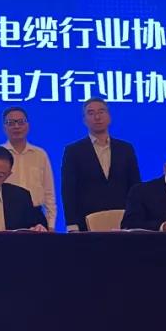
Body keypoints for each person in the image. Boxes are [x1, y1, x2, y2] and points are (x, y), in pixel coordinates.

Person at [61, 98, 141, 231]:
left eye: (101, 112)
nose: (97, 117)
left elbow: (135, 186)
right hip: (86, 221)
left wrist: (137, 218)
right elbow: (68, 191)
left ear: (109, 116)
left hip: (123, 220)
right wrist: (72, 224)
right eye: (91, 113)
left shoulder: (125, 149)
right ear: (84, 120)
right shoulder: (73, 151)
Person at [1, 106, 57, 231]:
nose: (16, 126)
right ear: (4, 127)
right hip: (5, 214)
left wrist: (51, 224)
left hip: (35, 216)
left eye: (21, 122)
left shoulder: (40, 154)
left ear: (28, 125)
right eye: (11, 123)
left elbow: (49, 192)